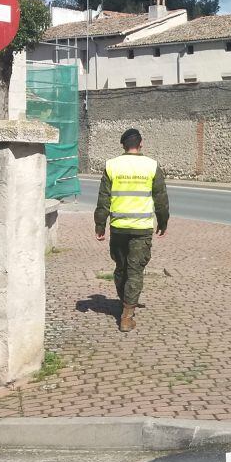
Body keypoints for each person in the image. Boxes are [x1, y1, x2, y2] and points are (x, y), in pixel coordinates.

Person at [94, 128, 169, 332]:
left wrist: (100, 224)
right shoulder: (151, 166)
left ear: (123, 146)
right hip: (141, 228)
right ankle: (127, 315)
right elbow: (161, 198)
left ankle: (125, 300)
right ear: (141, 143)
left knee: (121, 267)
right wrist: (163, 222)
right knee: (135, 270)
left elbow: (103, 199)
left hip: (118, 227)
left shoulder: (112, 165)